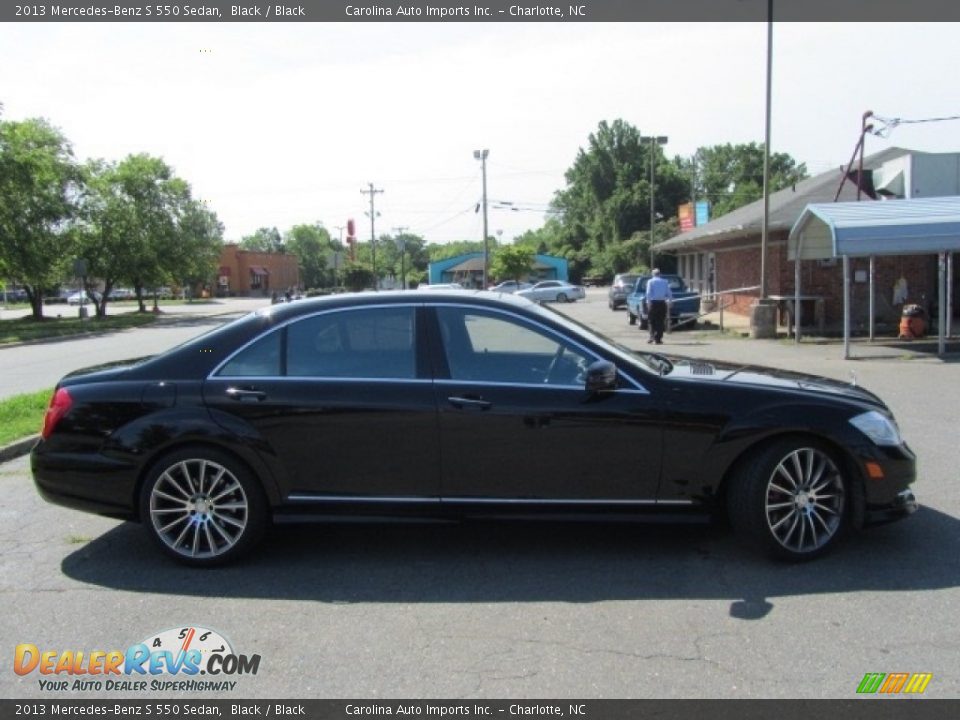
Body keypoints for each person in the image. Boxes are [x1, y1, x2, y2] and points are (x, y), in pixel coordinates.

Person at [644, 268, 673, 345]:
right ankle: (658, 339)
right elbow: (669, 293)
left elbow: (648, 293)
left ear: (653, 274)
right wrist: (670, 301)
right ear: (660, 274)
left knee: (651, 320)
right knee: (660, 321)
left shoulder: (650, 281)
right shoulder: (665, 282)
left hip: (653, 303)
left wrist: (648, 302)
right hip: (662, 303)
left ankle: (651, 337)